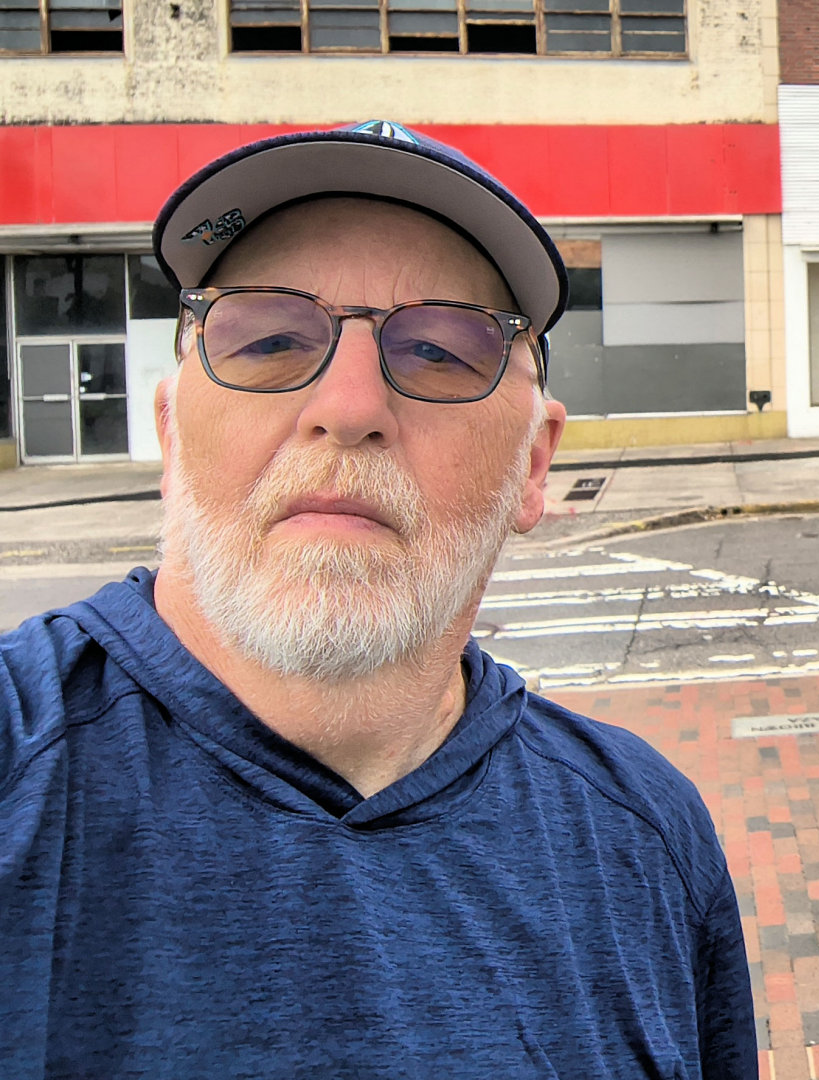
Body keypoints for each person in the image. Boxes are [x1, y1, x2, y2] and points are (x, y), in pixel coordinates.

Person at [0, 121, 754, 1078]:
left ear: (533, 465)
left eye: (440, 350)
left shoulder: (647, 835)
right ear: (171, 433)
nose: (349, 407)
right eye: (268, 338)